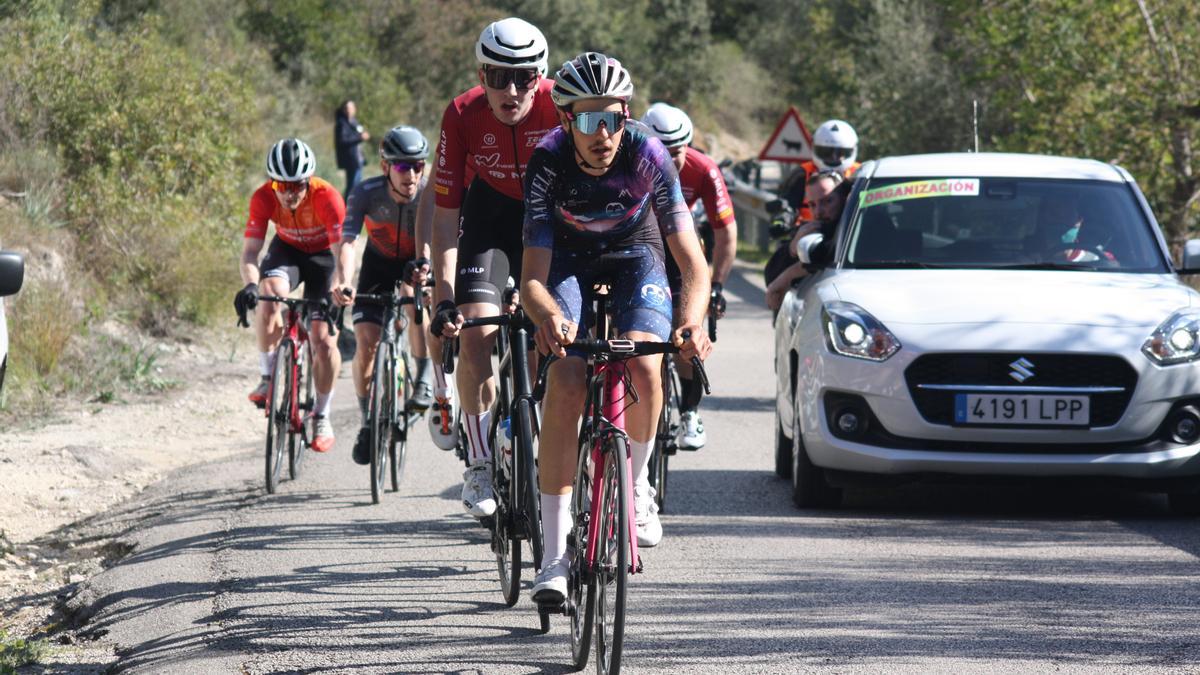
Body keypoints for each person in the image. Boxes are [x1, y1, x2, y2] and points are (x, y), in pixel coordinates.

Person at [522, 52, 713, 602]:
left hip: (638, 255)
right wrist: (548, 317)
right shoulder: (548, 161)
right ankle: (554, 557)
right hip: (568, 260)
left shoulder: (649, 153)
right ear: (565, 121)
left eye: (613, 117)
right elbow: (533, 277)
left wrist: (691, 324)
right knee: (565, 380)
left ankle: (635, 486)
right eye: (587, 120)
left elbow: (692, 264)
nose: (602, 133)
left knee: (645, 364)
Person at [428, 17, 559, 518]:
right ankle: (479, 464)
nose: (510, 89)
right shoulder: (461, 113)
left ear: (540, 76)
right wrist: (443, 297)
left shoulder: (559, 105)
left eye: (524, 76)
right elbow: (445, 217)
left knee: (550, 334)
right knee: (477, 333)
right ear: (480, 75)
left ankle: (541, 433)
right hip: (488, 217)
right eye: (497, 76)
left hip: (547, 219)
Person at [333, 126, 436, 466]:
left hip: (413, 262)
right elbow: (348, 241)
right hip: (376, 265)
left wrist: (427, 268)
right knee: (366, 342)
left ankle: (422, 380)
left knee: (413, 300)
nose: (412, 174)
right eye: (403, 167)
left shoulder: (428, 192)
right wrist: (344, 281)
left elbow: (439, 238)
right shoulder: (365, 192)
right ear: (385, 167)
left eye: (418, 166)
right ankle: (367, 420)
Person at [235, 138, 345, 453]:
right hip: (287, 253)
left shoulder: (328, 197)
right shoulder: (262, 197)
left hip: (324, 261)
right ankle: (268, 377)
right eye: (281, 186)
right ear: (272, 183)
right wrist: (250, 285)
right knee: (268, 297)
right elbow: (250, 254)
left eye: (297, 186)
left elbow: (342, 254)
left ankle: (321, 415)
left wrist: (339, 285)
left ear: (308, 181)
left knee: (323, 341)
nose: (289, 194)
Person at [640, 102, 736, 450]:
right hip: (639, 249)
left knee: (685, 336)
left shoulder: (704, 169)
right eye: (662, 152)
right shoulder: (629, 161)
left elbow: (725, 232)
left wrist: (719, 285)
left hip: (682, 252)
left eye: (677, 153)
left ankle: (689, 411)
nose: (670, 161)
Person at [767, 119, 861, 290]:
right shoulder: (802, 173)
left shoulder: (861, 175)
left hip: (849, 237)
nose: (833, 158)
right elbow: (787, 201)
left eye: (840, 152)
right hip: (806, 233)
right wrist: (783, 221)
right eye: (826, 152)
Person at [765, 170, 850, 311]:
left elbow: (827, 255)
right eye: (812, 205)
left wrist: (789, 275)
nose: (818, 212)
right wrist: (792, 249)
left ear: (844, 198)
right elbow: (772, 286)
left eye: (827, 201)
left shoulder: (857, 230)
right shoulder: (810, 231)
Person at [335, 100, 370, 196]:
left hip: (358, 159)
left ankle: (354, 205)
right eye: (347, 108)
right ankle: (346, 206)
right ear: (343, 110)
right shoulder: (342, 124)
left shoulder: (354, 122)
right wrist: (360, 137)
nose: (349, 110)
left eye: (351, 108)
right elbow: (342, 140)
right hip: (350, 160)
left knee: (357, 185)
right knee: (352, 186)